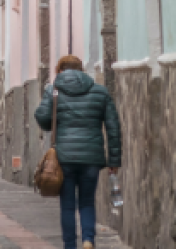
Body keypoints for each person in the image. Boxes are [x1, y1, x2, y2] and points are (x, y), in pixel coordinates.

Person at [34, 55, 122, 249]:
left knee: (67, 205)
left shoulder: (53, 90)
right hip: (92, 158)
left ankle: (70, 245)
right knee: (87, 202)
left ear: (60, 70)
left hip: (64, 157)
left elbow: (43, 119)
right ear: (81, 69)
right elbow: (113, 127)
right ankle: (88, 240)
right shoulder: (100, 92)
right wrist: (114, 160)